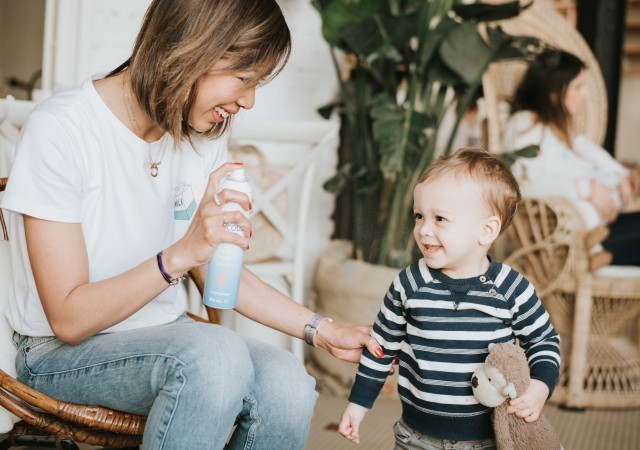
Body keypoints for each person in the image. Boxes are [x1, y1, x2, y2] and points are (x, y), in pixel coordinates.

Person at [0, 1, 382, 449]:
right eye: (244, 79)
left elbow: (217, 274)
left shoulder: (201, 138)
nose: (249, 100)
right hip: (55, 354)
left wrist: (324, 329)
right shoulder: (62, 129)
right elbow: (68, 318)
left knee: (287, 382)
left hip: (165, 334)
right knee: (215, 355)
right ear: (190, 49)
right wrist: (180, 253)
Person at [337, 148, 561, 449]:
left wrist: (539, 387)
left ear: (487, 230)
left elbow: (545, 341)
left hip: (488, 438)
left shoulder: (511, 288)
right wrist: (358, 404)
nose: (423, 230)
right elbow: (381, 346)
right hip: (415, 435)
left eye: (439, 218)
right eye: (419, 216)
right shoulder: (409, 283)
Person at [502, 49, 640, 267]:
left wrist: (620, 181)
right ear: (553, 93)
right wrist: (589, 189)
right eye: (578, 87)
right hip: (568, 238)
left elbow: (596, 161)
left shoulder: (561, 132)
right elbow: (523, 184)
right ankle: (596, 253)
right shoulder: (525, 124)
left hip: (596, 227)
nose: (585, 95)